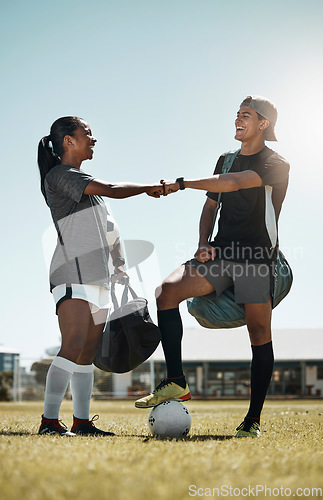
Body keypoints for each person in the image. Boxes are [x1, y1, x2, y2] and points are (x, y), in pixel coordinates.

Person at [135, 96, 290, 438]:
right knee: (167, 292)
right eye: (237, 114)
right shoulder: (226, 158)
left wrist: (182, 182)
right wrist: (204, 243)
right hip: (220, 254)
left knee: (259, 335)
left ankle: (252, 421)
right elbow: (211, 207)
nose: (238, 119)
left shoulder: (276, 163)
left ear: (263, 124)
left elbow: (233, 184)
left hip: (255, 259)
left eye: (246, 115)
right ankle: (176, 380)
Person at [37, 116, 164, 436]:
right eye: (87, 134)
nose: (94, 140)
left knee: (86, 353)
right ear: (68, 140)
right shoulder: (60, 175)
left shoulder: (85, 184)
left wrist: (119, 264)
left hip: (100, 278)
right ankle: (49, 422)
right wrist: (149, 187)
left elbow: (110, 229)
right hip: (71, 273)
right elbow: (114, 189)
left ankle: (81, 423)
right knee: (73, 344)